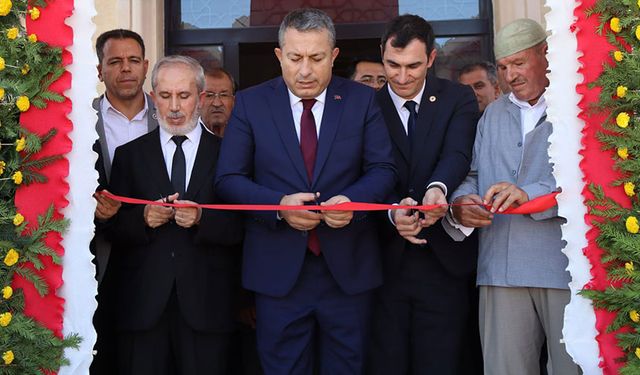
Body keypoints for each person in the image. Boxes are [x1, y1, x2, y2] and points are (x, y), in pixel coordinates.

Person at [215, 8, 396, 374]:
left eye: (316, 58)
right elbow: (228, 179)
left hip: (347, 272)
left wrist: (353, 204)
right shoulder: (251, 103)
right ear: (279, 55)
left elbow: (383, 169)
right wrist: (277, 206)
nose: (305, 70)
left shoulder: (362, 100)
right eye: (295, 58)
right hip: (278, 273)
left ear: (333, 56)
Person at [448, 19, 579, 375]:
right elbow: (473, 175)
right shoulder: (492, 114)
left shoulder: (578, 106)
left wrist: (529, 193)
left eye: (519, 63)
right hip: (499, 268)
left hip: (564, 267)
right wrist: (462, 206)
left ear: (545, 53)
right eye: (503, 67)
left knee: (572, 368)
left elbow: (591, 177)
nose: (511, 76)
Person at [108, 55, 243, 375]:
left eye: (184, 96)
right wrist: (143, 217)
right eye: (165, 96)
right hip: (143, 306)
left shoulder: (229, 155)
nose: (174, 106)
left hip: (208, 307)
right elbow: (111, 227)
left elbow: (244, 227)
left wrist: (201, 219)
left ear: (200, 97)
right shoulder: (129, 156)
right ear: (153, 97)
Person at [370, 14, 480, 374]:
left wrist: (438, 190)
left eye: (413, 66)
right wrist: (390, 212)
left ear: (432, 59)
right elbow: (361, 173)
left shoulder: (457, 98)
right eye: (393, 65)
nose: (402, 77)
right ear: (382, 56)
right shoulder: (363, 106)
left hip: (443, 264)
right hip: (382, 263)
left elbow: (458, 154)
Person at [90, 28, 158, 375]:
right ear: (100, 70)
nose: (126, 68)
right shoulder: (80, 121)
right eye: (115, 61)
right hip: (99, 259)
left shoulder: (170, 116)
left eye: (133, 60)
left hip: (157, 255)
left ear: (146, 66)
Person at [199, 66, 236, 137]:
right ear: (198, 100)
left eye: (224, 95)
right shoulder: (185, 136)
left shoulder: (244, 136)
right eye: (209, 95)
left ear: (233, 101)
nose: (217, 104)